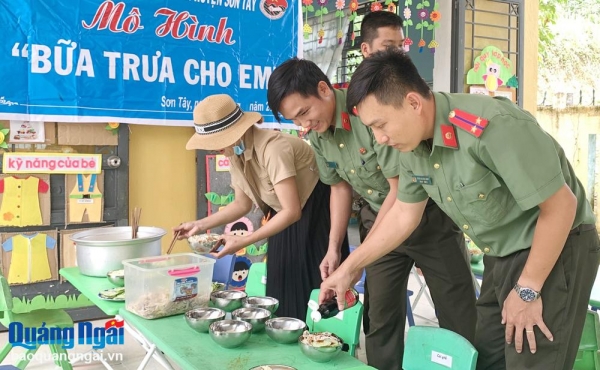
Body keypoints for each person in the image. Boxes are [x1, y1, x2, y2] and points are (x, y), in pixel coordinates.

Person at [322, 48, 600, 370]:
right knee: (484, 358)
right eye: (371, 129)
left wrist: (527, 290)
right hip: (502, 252)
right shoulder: (413, 147)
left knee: (530, 361)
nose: (379, 139)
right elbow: (402, 215)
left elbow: (562, 207)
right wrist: (348, 269)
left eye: (380, 124)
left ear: (413, 103)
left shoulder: (491, 128)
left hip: (556, 245)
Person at [267, 36, 476, 370]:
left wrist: (358, 262)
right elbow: (339, 189)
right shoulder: (318, 135)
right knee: (379, 318)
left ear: (323, 89)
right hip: (376, 218)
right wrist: (335, 249)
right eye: (294, 120)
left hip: (426, 217)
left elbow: (400, 192)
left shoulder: (366, 111)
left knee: (457, 313)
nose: (303, 125)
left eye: (304, 113)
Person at [175, 94, 349, 320]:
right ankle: (284, 345)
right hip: (283, 217)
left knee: (315, 297)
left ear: (234, 131)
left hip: (317, 215)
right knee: (280, 291)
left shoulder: (273, 147)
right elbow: (241, 204)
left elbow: (292, 210)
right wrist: (199, 225)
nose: (212, 149)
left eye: (215, 142)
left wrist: (245, 239)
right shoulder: (235, 151)